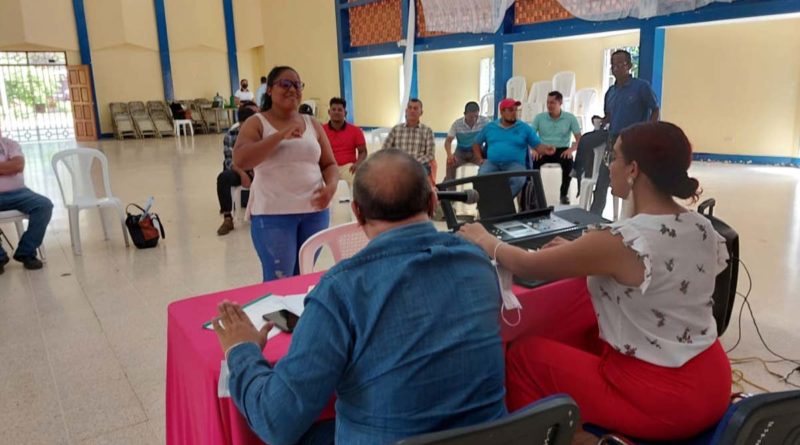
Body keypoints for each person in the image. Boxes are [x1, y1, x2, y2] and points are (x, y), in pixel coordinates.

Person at [459, 121, 731, 442]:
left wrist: (485, 239)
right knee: (587, 335)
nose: (609, 166)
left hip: (664, 400)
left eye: (613, 159)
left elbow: (528, 266)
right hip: (713, 381)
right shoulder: (701, 226)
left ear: (633, 169)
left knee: (522, 357)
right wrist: (580, 252)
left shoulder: (622, 241)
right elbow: (657, 274)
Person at [213, 149, 506, 445]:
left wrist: (242, 351)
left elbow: (275, 421)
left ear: (356, 212)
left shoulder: (341, 290)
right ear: (432, 202)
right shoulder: (477, 262)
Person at [233, 66, 338, 281]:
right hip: (274, 215)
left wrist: (331, 188)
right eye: (285, 84)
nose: (292, 89)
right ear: (269, 90)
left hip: (315, 212)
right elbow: (241, 159)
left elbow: (329, 164)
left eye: (297, 85)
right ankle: (277, 317)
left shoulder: (312, 123)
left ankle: (300, 316)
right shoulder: (257, 123)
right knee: (279, 281)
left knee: (303, 278)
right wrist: (279, 136)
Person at [591, 49, 660, 215]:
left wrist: (649, 130)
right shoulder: (611, 92)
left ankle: (632, 216)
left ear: (629, 65)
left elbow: (655, 109)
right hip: (613, 139)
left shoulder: (641, 87)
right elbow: (609, 116)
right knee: (603, 179)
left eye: (620, 64)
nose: (615, 68)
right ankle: (594, 217)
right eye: (613, 65)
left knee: (635, 180)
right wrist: (601, 120)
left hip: (635, 140)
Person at [472, 98, 555, 197]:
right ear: (502, 112)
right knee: (480, 179)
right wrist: (480, 159)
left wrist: (546, 149)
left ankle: (503, 202)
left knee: (519, 179)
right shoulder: (490, 127)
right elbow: (476, 143)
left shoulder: (524, 128)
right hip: (492, 163)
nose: (514, 113)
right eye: (511, 110)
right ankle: (488, 204)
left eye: (516, 110)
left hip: (514, 164)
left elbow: (537, 146)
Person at [0, 131, 53, 273]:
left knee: (44, 205)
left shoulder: (10, 144)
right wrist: (6, 167)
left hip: (20, 192)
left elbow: (18, 165)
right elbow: (12, 166)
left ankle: (26, 252)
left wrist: (11, 167)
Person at [215, 102, 259, 236]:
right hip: (239, 168)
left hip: (258, 169)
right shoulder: (231, 134)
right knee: (223, 178)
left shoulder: (260, 133)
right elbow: (229, 160)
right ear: (239, 123)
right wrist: (242, 173)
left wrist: (255, 171)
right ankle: (228, 218)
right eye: (243, 125)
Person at [531, 91, 582, 204]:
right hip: (543, 149)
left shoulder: (570, 118)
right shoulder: (539, 118)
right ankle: (535, 194)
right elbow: (530, 136)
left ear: (560, 103)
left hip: (562, 149)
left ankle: (563, 194)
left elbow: (579, 139)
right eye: (548, 103)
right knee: (533, 162)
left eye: (552, 103)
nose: (549, 105)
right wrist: (534, 149)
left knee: (569, 162)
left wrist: (571, 150)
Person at [382, 99, 436, 178]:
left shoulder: (427, 131)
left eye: (415, 108)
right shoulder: (396, 129)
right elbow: (385, 150)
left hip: (419, 165)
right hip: (398, 164)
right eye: (410, 108)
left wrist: (414, 163)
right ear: (406, 111)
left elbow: (430, 154)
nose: (412, 111)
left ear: (421, 112)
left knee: (417, 176)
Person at [322, 97, 367, 188]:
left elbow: (363, 152)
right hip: (328, 167)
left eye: (340, 110)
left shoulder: (356, 130)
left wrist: (358, 164)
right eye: (333, 109)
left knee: (358, 185)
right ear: (329, 112)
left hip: (349, 168)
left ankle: (355, 202)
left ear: (345, 113)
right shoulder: (321, 130)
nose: (336, 112)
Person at [444, 101, 489, 185]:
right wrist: (449, 155)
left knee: (487, 166)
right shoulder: (457, 124)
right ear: (465, 114)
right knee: (450, 163)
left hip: (477, 152)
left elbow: (491, 137)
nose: (474, 119)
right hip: (461, 152)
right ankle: (450, 192)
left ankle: (482, 191)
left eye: (476, 116)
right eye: (471, 117)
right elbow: (448, 141)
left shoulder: (485, 122)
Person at [572, 115, 608, 193]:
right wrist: (602, 120)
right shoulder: (610, 103)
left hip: (615, 131)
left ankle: (581, 172)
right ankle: (582, 171)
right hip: (607, 129)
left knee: (586, 141)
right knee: (585, 139)